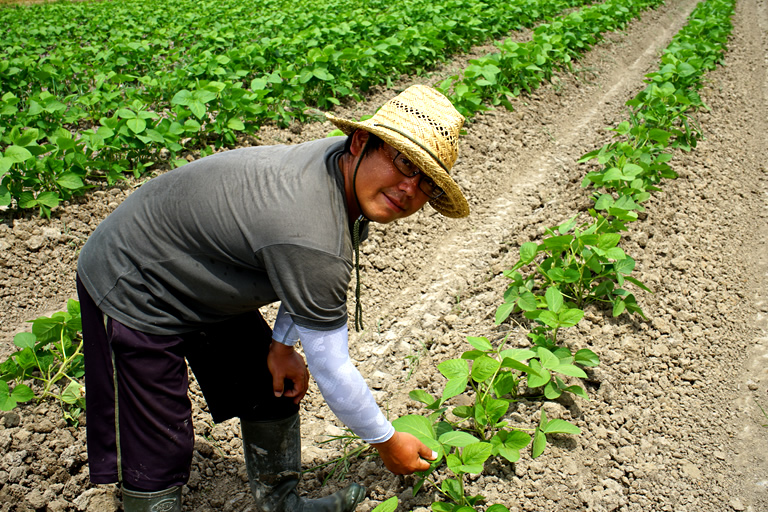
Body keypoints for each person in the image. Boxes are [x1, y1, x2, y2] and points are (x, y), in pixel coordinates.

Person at [75, 84, 470, 512]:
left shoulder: (339, 169)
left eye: (426, 181)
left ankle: (281, 503)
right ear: (360, 142)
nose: (410, 188)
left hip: (199, 264)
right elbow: (332, 367)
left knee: (269, 385)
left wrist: (281, 346)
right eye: (402, 162)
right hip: (135, 276)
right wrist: (385, 440)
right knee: (157, 442)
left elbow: (295, 273)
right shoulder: (313, 230)